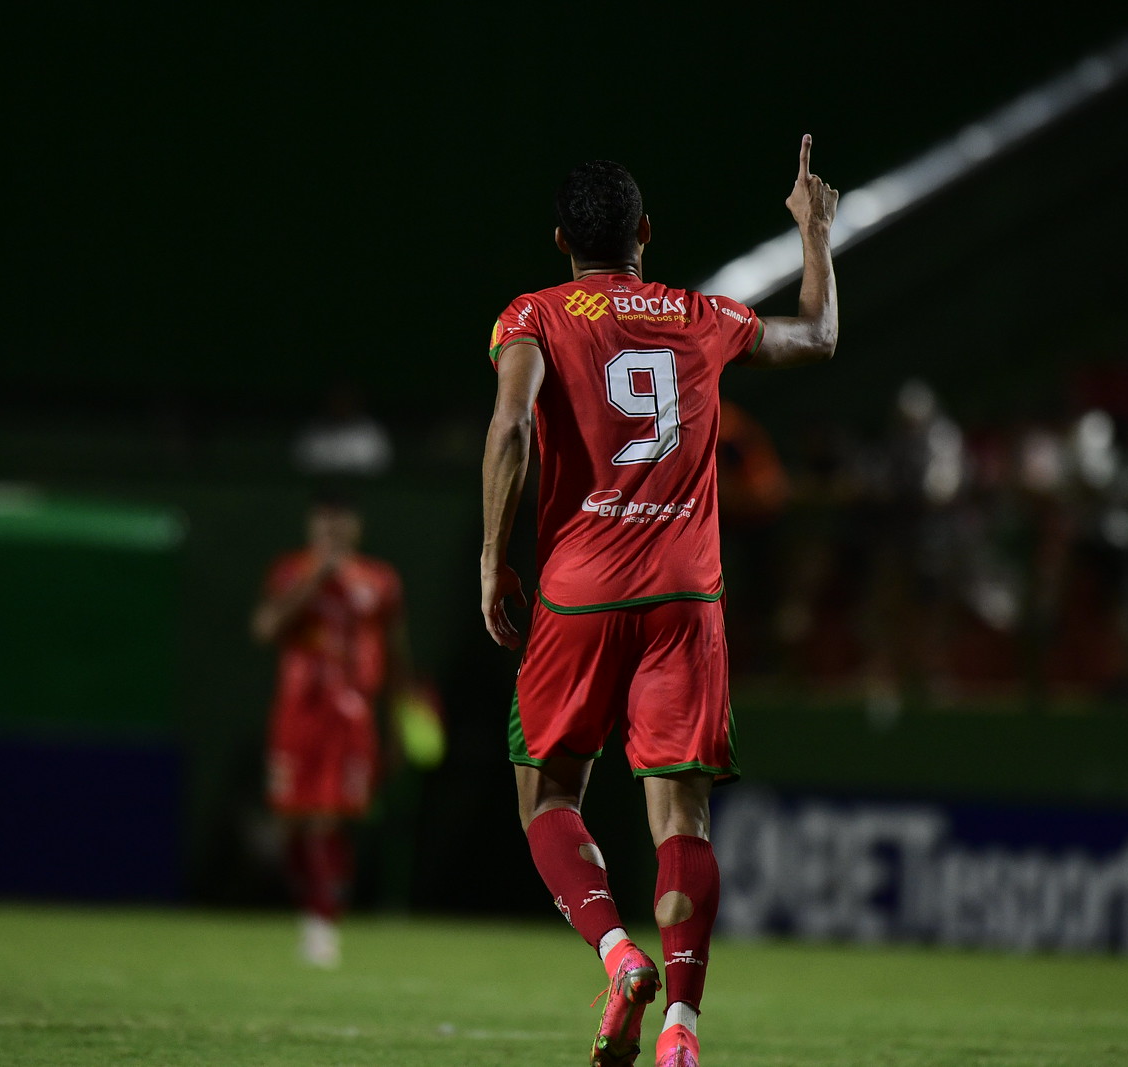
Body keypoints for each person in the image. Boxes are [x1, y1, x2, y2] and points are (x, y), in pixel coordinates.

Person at [480, 137, 838, 1067]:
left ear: (562, 238)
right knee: (681, 821)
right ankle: (682, 1025)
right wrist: (813, 234)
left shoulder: (534, 315)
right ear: (646, 232)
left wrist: (492, 558)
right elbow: (819, 335)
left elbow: (512, 426)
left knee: (549, 795)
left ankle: (616, 953)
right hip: (687, 594)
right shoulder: (701, 315)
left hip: (579, 593)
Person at [251, 494, 408, 967]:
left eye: (341, 525)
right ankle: (310, 911)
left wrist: (400, 721)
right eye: (325, 525)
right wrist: (315, 577)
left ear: (355, 528)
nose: (333, 534)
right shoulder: (291, 571)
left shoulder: (379, 581)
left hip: (353, 714)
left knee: (330, 816)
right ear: (312, 527)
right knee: (290, 821)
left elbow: (397, 652)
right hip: (299, 712)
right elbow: (266, 628)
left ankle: (324, 922)